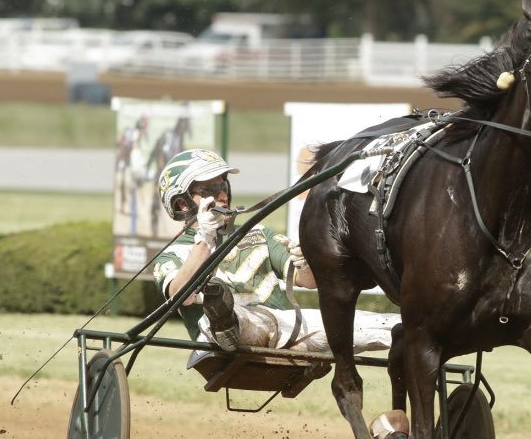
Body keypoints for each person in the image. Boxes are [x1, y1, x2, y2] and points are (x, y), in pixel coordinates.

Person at [152, 149, 399, 353]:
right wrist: (205, 238)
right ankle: (225, 317)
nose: (222, 195)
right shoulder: (171, 256)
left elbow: (308, 282)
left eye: (223, 185)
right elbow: (180, 296)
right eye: (209, 190)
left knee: (393, 325)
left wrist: (304, 263)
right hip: (221, 338)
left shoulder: (259, 233)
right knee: (223, 318)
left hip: (286, 326)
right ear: (183, 203)